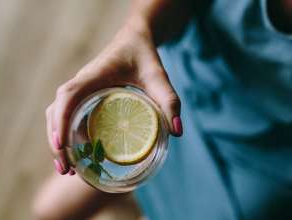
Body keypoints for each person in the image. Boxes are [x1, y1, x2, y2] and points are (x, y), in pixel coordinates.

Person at [33, 0, 292, 219]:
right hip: (177, 81)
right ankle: (131, 197)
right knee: (49, 210)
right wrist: (138, 30)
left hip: (263, 155)